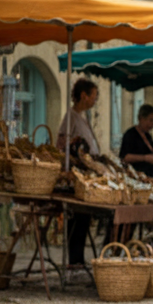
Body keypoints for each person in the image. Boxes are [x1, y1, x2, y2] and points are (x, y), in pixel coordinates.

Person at [58, 78, 100, 266]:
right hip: (77, 175)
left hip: (87, 174)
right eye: (94, 96)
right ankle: (75, 260)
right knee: (78, 219)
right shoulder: (71, 116)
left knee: (84, 219)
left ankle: (78, 260)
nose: (95, 100)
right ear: (84, 96)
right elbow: (61, 144)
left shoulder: (82, 117)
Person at [119, 104, 153, 180]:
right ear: (141, 118)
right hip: (139, 177)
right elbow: (125, 157)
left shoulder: (148, 136)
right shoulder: (130, 134)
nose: (152, 124)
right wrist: (145, 158)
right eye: (150, 120)